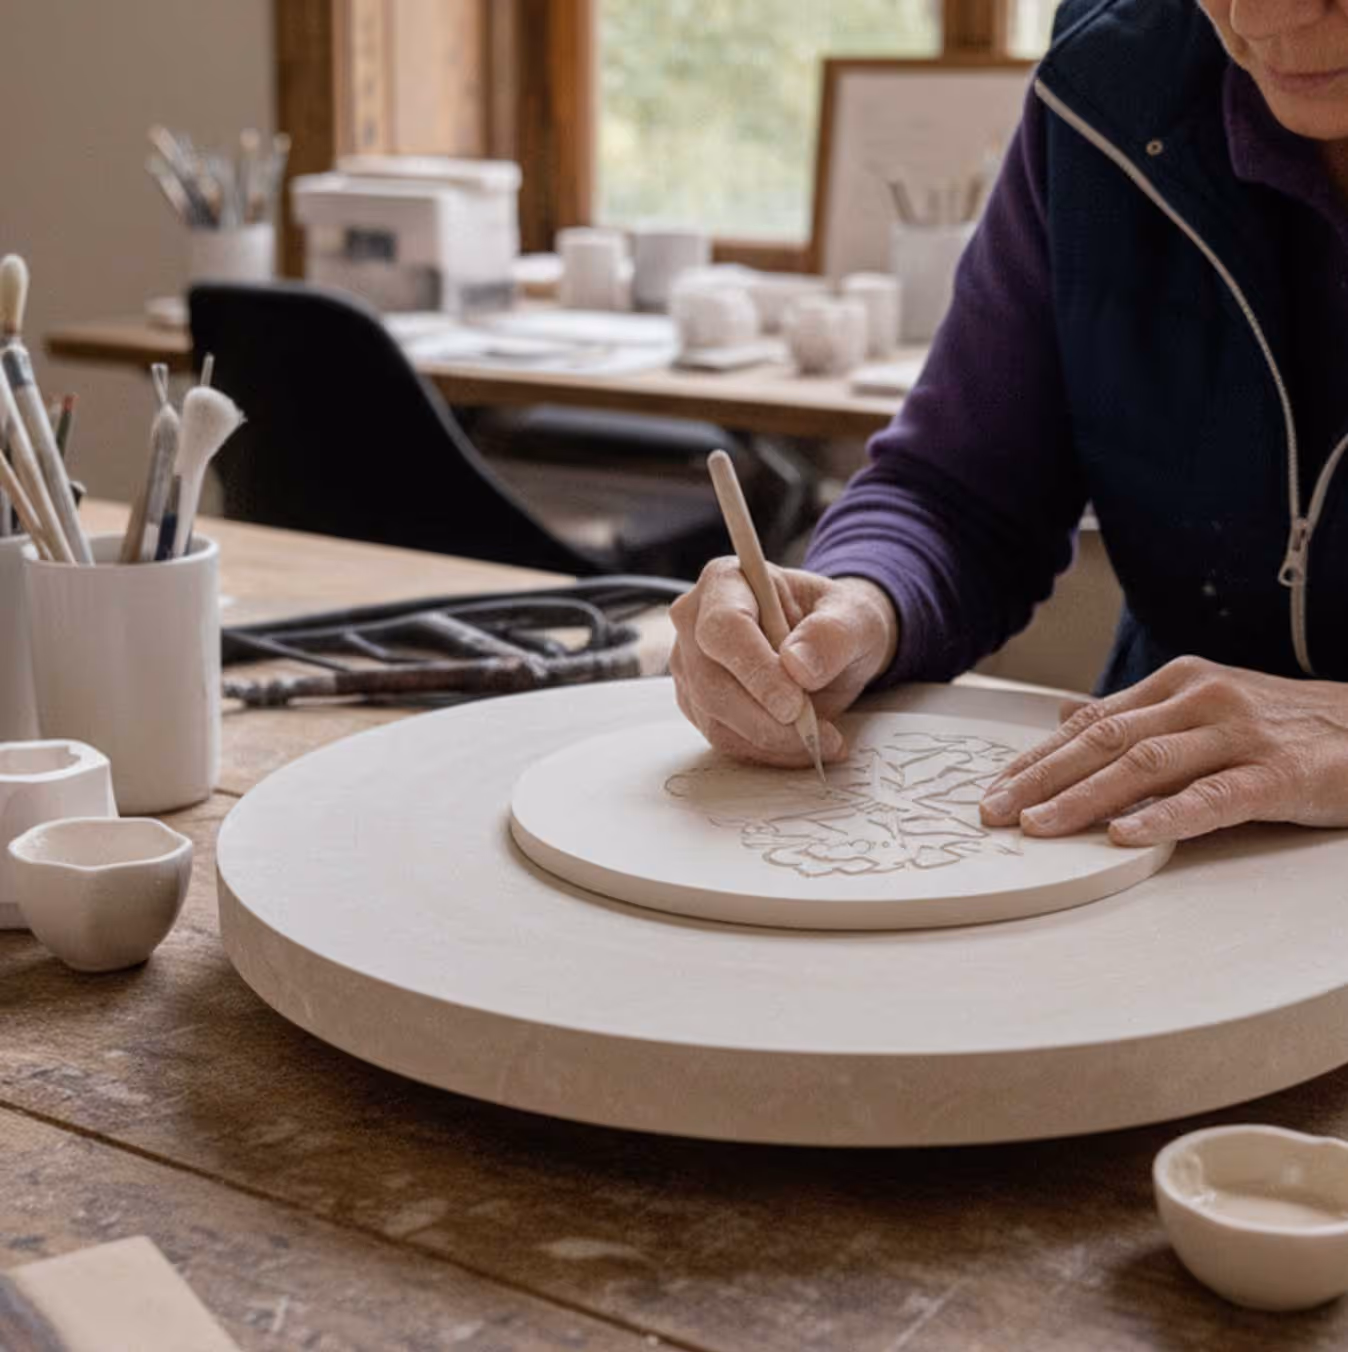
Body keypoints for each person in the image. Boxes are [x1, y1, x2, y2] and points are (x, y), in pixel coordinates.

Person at [670, 0, 1348, 847]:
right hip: (1153, 825)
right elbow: (960, 491)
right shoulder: (1107, 92)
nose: (1259, 13)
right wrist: (861, 603)